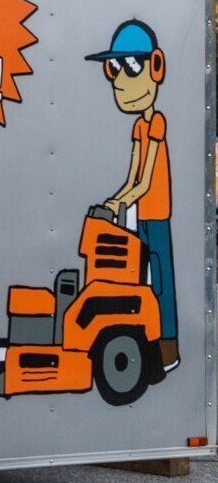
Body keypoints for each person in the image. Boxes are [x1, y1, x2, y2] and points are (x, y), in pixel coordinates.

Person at [88, 19, 178, 372]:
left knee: (161, 277)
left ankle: (168, 346)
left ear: (156, 66)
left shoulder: (156, 123)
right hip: (141, 213)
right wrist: (115, 200)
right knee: (140, 279)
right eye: (115, 69)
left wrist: (125, 200)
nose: (122, 81)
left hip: (157, 213)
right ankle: (150, 345)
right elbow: (132, 177)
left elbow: (146, 181)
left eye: (131, 66)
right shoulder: (138, 125)